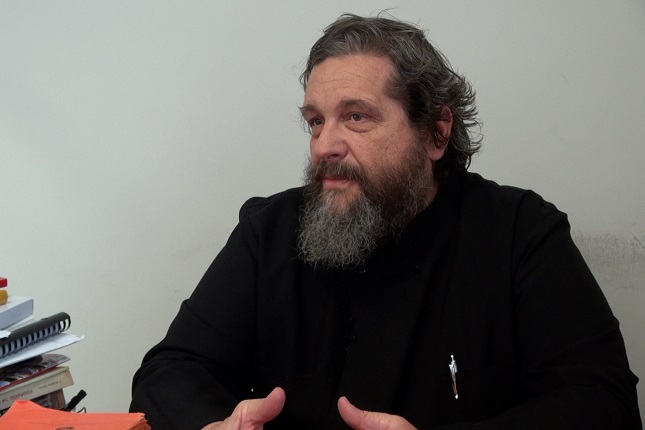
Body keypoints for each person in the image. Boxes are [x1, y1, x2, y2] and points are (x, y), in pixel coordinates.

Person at [130, 14, 642, 430]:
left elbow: (603, 403)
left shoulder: (518, 233)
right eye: (316, 121)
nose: (324, 145)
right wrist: (210, 426)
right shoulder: (269, 231)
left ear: (436, 133)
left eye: (356, 116)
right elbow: (169, 372)